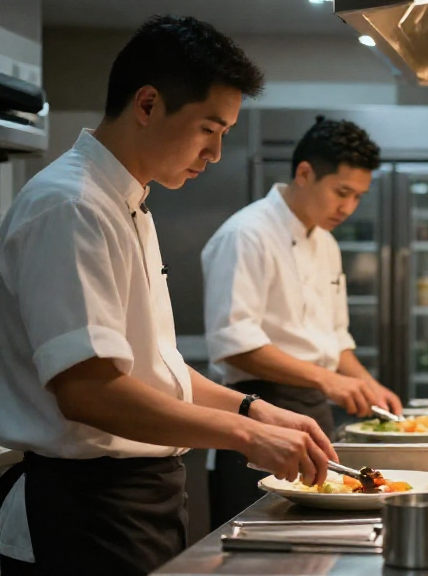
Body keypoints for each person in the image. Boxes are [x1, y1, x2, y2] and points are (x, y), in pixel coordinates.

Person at [0, 16, 338, 576]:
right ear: (148, 104)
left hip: (137, 499)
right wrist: (245, 434)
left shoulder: (127, 202)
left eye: (225, 133)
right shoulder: (72, 205)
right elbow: (89, 392)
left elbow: (160, 369)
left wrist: (256, 408)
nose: (216, 153)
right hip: (82, 508)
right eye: (210, 128)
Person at [202, 116, 401, 525]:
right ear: (305, 173)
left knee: (312, 540)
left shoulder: (326, 242)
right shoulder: (246, 234)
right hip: (257, 411)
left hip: (314, 413)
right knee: (257, 545)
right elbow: (235, 345)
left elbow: (334, 340)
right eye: (342, 192)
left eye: (359, 197)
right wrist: (328, 380)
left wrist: (367, 383)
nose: (348, 207)